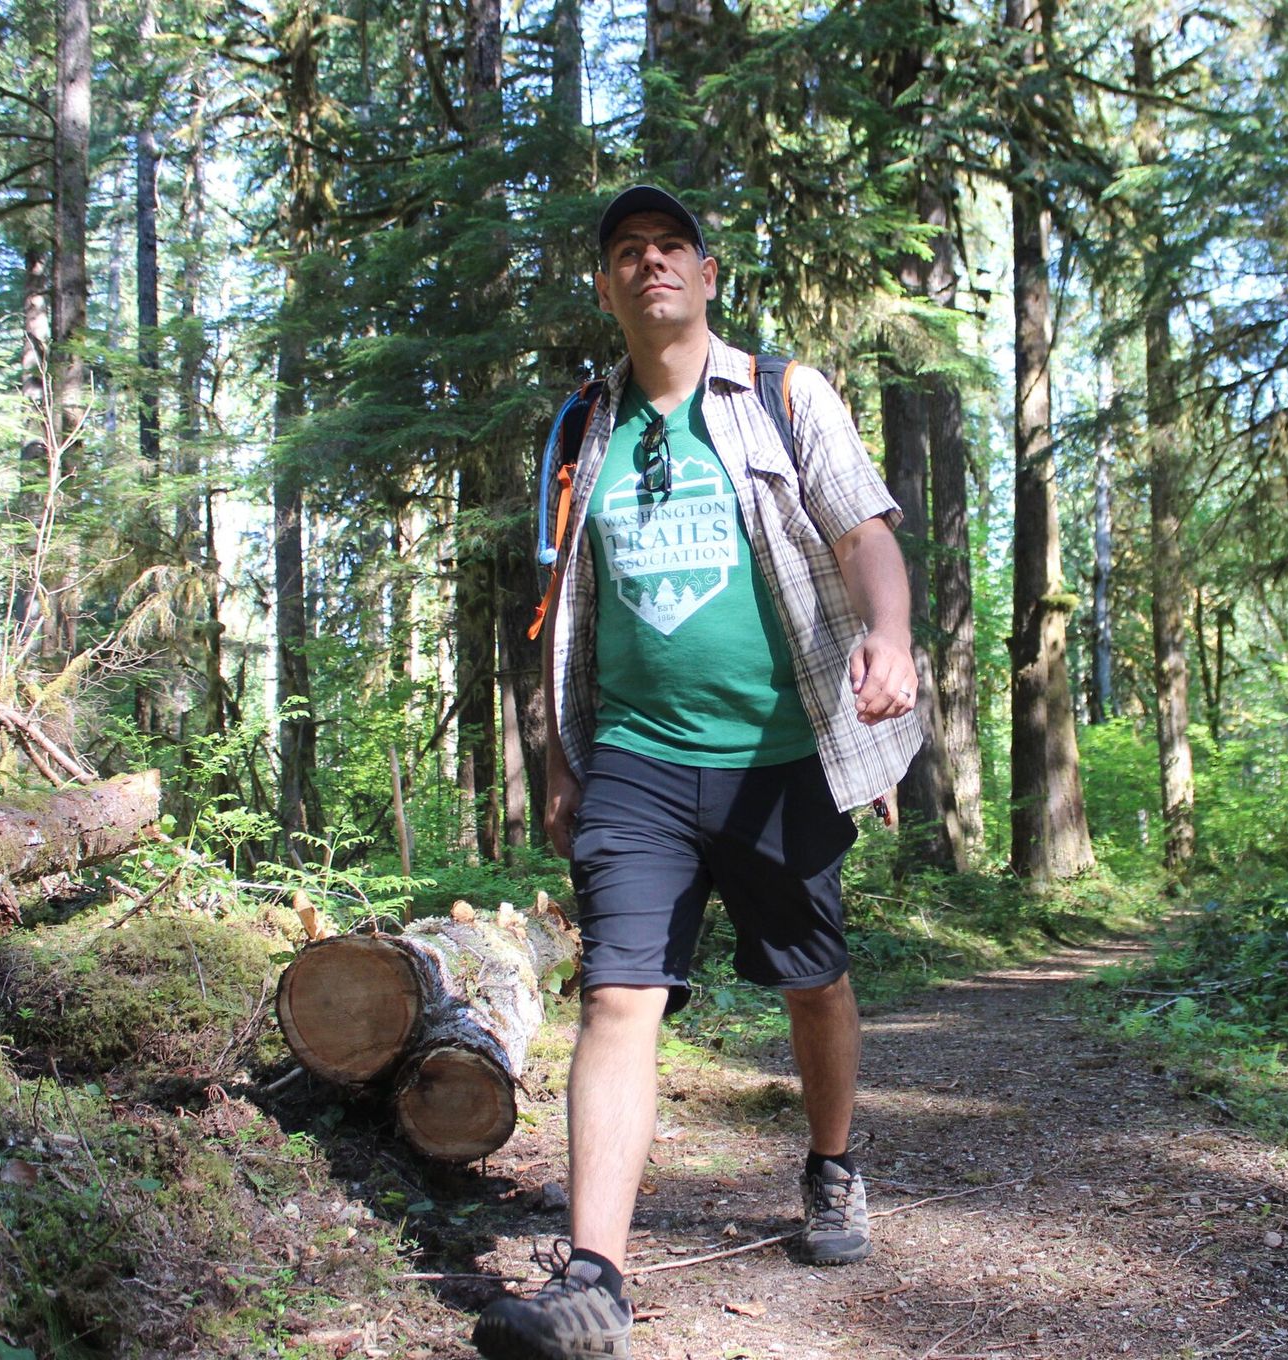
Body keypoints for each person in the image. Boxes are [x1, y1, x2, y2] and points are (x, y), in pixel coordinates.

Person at [471, 184, 922, 1360]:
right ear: (608, 283)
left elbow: (865, 529)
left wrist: (893, 635)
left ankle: (831, 1164)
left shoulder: (782, 395)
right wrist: (565, 764)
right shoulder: (582, 429)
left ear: (707, 274)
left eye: (670, 246)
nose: (649, 263)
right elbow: (565, 607)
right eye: (627, 251)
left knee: (812, 979)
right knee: (619, 994)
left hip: (782, 760)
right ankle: (595, 1279)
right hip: (638, 760)